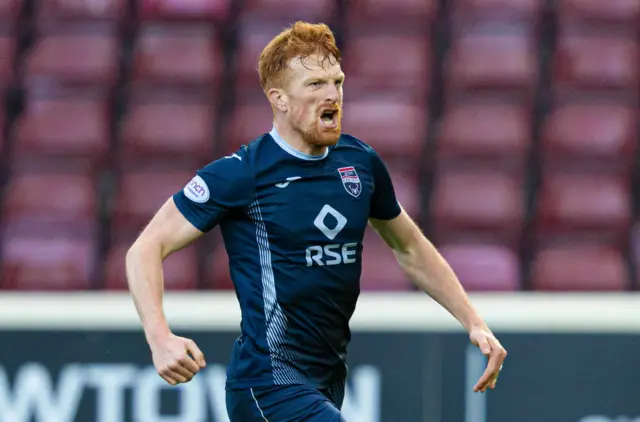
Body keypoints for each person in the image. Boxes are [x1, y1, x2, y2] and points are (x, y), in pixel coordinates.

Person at [125, 21, 507, 421]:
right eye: (315, 85)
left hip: (326, 381)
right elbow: (145, 248)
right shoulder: (241, 173)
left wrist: (474, 322)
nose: (333, 95)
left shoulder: (360, 163)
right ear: (279, 99)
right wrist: (159, 337)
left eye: (337, 81)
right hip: (268, 382)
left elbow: (408, 247)